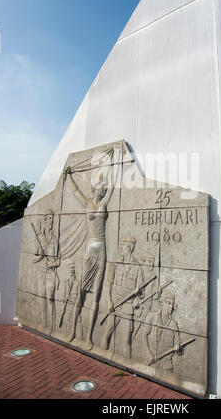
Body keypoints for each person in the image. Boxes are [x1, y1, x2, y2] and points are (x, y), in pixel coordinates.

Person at [66, 143, 122, 350]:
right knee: (81, 292)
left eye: (104, 186)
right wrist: (68, 175)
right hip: (89, 251)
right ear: (94, 187)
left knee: (96, 295)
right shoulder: (88, 202)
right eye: (101, 185)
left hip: (102, 252)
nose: (104, 187)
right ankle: (72, 331)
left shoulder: (104, 203)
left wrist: (116, 157)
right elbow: (74, 190)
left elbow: (115, 182)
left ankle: (88, 337)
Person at [102, 236, 144, 359]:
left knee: (126, 341)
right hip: (114, 305)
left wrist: (137, 296)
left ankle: (127, 364)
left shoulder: (137, 267)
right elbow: (108, 284)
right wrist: (109, 302)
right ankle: (103, 356)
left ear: (129, 248)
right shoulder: (115, 264)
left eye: (123, 246)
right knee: (107, 334)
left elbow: (141, 293)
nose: (121, 248)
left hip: (127, 308)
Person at [33, 209, 60, 333]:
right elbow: (33, 258)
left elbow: (59, 259)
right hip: (41, 272)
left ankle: (52, 327)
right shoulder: (39, 238)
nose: (51, 221)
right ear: (45, 220)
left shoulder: (54, 239)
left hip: (51, 273)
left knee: (50, 299)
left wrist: (53, 263)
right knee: (42, 298)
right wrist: (40, 256)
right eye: (49, 218)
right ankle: (44, 325)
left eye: (52, 219)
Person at [143, 292, 183, 371]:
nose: (171, 306)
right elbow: (143, 335)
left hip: (166, 366)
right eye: (168, 303)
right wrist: (148, 354)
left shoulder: (173, 325)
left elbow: (180, 350)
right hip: (151, 362)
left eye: (172, 304)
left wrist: (178, 349)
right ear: (162, 304)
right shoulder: (151, 317)